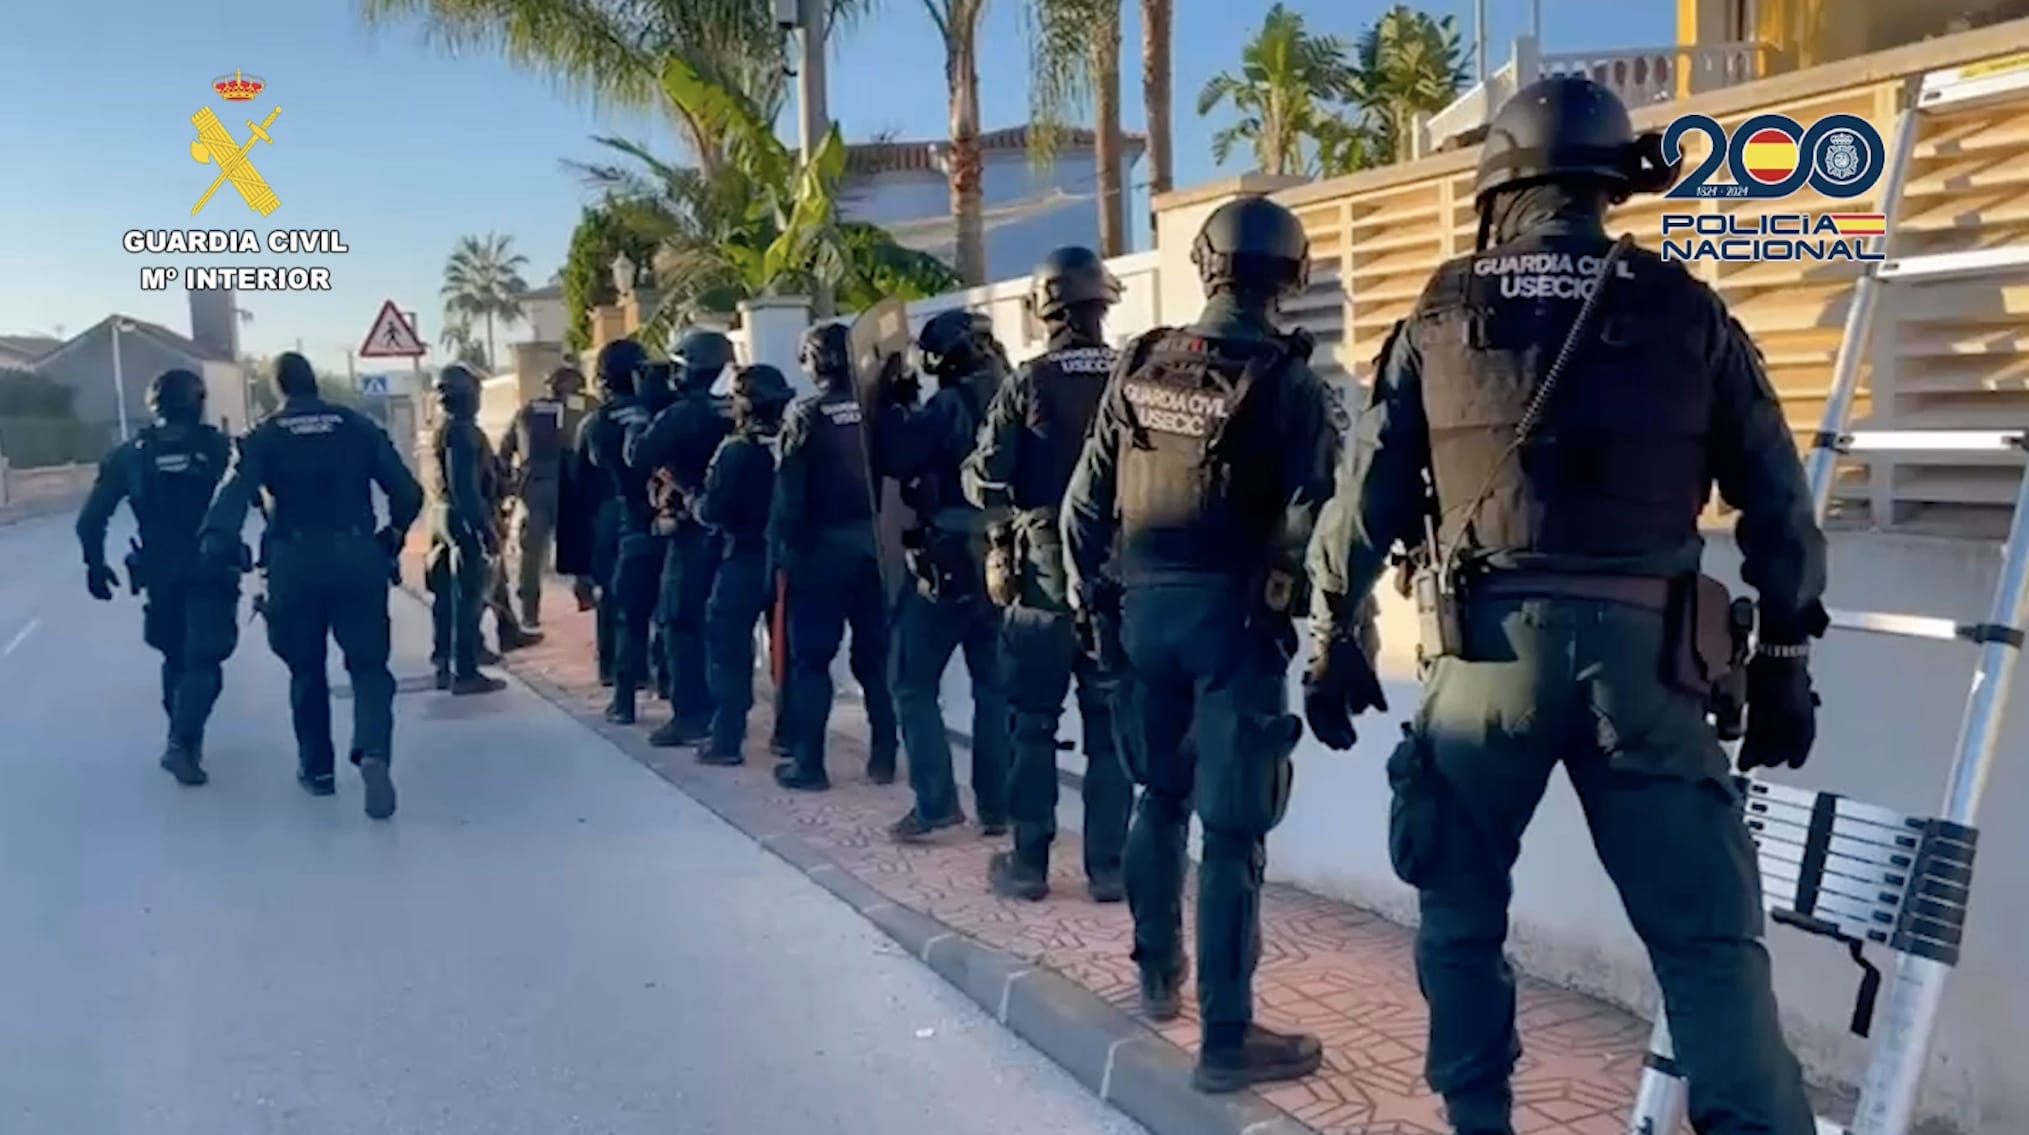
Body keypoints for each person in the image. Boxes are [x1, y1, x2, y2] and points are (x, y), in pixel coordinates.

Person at [1302, 76, 1828, 1135]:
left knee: (1458, 913)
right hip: (1649, 665)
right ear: (1603, 188)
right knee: (1708, 943)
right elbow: (1775, 493)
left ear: (1499, 185)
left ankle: (1480, 1120)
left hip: (1481, 658)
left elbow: (1363, 498)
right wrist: (1780, 649)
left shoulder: (1439, 311)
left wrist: (1331, 630)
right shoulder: (1685, 307)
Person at [1062, 194, 1341, 1093]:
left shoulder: (1141, 361)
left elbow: (1081, 509)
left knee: (1158, 794)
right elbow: (1319, 521)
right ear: (1288, 277)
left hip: (1141, 614)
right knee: (1230, 828)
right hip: (1233, 625)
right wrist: (1327, 618)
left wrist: (1094, 603)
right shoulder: (1290, 381)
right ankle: (1226, 1034)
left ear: (1205, 265)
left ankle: (1155, 976)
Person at [960, 246, 1132, 903]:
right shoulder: (1130, 374)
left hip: (1041, 580)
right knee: (1109, 733)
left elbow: (984, 478)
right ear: (1099, 303)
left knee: (1031, 723)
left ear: (1045, 307)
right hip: (1115, 579)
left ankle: (1029, 864)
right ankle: (1108, 868)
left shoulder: (1027, 383)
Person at [200, 352, 423, 820]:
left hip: (294, 562)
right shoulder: (357, 427)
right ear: (314, 382)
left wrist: (218, 542)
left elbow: (233, 495)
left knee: (306, 670)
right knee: (368, 668)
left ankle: (317, 770)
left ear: (277, 388)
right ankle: (374, 751)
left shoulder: (264, 435)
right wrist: (394, 533)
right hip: (358, 555)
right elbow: (406, 491)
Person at [876, 310, 1011, 841]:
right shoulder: (1014, 393)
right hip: (1005, 559)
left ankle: (935, 803)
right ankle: (997, 808)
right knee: (994, 689)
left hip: (951, 555)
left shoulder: (948, 406)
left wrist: (893, 403)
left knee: (910, 683)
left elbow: (895, 457)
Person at [75, 368, 239, 786]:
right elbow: (264, 493)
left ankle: (182, 739)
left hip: (159, 572)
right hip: (210, 567)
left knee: (176, 657)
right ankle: (183, 743)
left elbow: (91, 520)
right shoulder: (220, 449)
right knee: (205, 659)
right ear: (199, 402)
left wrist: (95, 566)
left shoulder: (131, 455)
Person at [769, 322, 900, 791]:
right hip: (875, 547)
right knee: (877, 656)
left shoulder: (806, 414)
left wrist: (782, 553)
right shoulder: (876, 409)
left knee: (811, 661)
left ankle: (810, 763)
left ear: (812, 362)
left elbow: (789, 493)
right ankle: (884, 755)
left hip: (820, 552)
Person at [628, 331, 735, 746]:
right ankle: (726, 716)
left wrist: (644, 408)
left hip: (691, 531)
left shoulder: (682, 414)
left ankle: (692, 715)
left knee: (680, 621)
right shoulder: (734, 405)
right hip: (733, 532)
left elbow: (638, 456)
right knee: (723, 630)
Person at [690, 363, 796, 764]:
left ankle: (727, 738)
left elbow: (713, 510)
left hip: (744, 559)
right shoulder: (794, 442)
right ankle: (789, 736)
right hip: (789, 560)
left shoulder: (734, 451)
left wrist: (692, 502)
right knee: (789, 652)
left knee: (729, 648)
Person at [576, 338, 659, 724]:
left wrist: (578, 563)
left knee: (623, 609)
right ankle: (665, 680)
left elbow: (578, 491)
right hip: (662, 520)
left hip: (615, 522)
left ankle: (621, 691)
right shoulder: (658, 414)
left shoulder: (595, 424)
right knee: (669, 612)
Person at [421, 365, 511, 696]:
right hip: (462, 516)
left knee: (446, 594)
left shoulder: (444, 429)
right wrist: (483, 527)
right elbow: (466, 487)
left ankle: (445, 660)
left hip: (442, 516)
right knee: (468, 596)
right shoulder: (462, 432)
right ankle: (466, 670)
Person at [499, 366, 589, 628]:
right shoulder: (583, 408)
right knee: (582, 542)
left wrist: (508, 483)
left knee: (532, 554)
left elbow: (505, 450)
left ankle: (529, 610)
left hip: (534, 488)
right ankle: (585, 592)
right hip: (571, 486)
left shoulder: (528, 411)